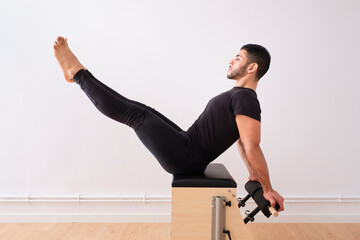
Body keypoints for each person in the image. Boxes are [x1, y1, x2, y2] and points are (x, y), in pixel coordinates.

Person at [53, 36, 284, 212]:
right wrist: (254, 174)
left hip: (188, 156)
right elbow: (242, 144)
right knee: (143, 111)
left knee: (135, 115)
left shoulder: (246, 98)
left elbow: (252, 146)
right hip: (187, 145)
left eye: (239, 58)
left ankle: (78, 74)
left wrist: (267, 188)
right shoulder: (240, 96)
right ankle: (77, 74)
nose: (232, 60)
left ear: (252, 68)